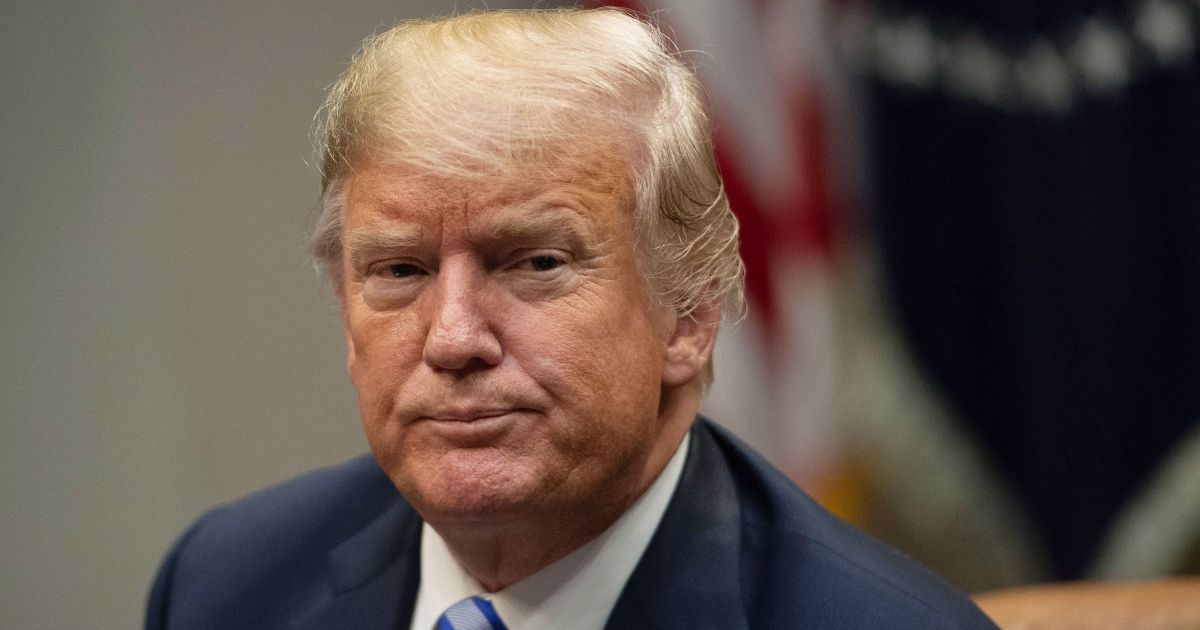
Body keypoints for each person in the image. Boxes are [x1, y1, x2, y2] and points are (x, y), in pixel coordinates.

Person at [145, 9, 999, 630]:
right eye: (400, 272)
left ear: (691, 315)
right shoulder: (226, 584)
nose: (451, 340)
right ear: (345, 313)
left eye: (535, 264)